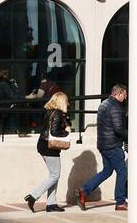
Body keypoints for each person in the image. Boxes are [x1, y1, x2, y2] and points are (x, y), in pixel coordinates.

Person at [77, 84, 128, 212]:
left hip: (103, 145)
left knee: (107, 171)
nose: (126, 97)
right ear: (119, 93)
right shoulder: (115, 107)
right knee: (122, 172)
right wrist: (131, 136)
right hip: (113, 146)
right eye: (125, 95)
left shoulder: (104, 104)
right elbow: (118, 128)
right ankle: (120, 202)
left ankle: (84, 191)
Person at [26, 91, 71, 212]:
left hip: (43, 144)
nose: (68, 103)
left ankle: (51, 204)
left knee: (53, 175)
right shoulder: (57, 114)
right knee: (55, 175)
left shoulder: (50, 112)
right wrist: (66, 132)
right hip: (49, 146)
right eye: (66, 101)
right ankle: (33, 196)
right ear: (62, 101)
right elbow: (55, 132)